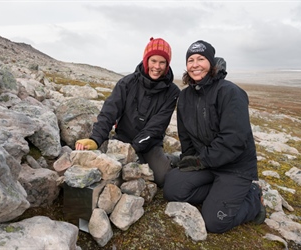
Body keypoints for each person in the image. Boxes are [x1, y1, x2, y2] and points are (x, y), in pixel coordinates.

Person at [163, 40, 266, 233]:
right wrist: (189, 160)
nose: (195, 64)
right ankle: (220, 194)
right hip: (208, 163)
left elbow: (234, 139)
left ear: (211, 62)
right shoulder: (185, 97)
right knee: (173, 189)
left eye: (201, 59)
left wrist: (200, 162)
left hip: (235, 167)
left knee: (214, 222)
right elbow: (186, 136)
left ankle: (253, 199)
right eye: (190, 60)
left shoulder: (230, 92)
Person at [75, 37, 180, 188]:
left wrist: (134, 149)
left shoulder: (172, 92)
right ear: (146, 60)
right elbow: (109, 111)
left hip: (150, 143)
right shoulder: (127, 83)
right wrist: (96, 139)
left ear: (167, 64)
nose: (157, 66)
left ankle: (170, 159)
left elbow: (157, 125)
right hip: (122, 139)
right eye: (153, 61)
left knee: (162, 178)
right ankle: (143, 160)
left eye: (162, 62)